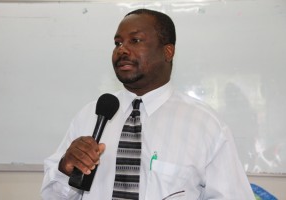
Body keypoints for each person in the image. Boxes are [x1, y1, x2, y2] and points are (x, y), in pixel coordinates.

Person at [41, 9, 255, 200]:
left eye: (135, 41)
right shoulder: (90, 115)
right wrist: (65, 168)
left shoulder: (206, 125)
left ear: (167, 52)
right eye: (118, 43)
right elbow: (52, 196)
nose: (122, 50)